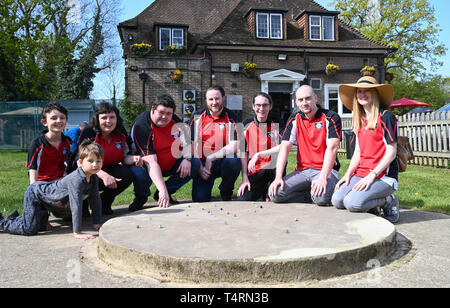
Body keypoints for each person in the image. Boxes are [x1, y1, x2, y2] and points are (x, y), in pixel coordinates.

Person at [0, 139, 103, 239]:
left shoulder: (94, 178)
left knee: (41, 227)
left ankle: (16, 218)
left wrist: (97, 223)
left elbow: (95, 199)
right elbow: (76, 205)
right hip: (36, 194)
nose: (95, 165)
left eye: (98, 161)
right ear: (80, 162)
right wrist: (77, 232)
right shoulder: (76, 179)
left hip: (49, 202)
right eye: (90, 161)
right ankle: (2, 222)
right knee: (29, 229)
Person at [331, 76, 400, 223]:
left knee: (352, 203)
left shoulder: (386, 117)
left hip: (383, 176)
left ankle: (388, 200)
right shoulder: (360, 119)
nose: (362, 95)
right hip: (361, 173)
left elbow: (391, 152)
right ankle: (370, 205)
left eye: (367, 91)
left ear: (375, 94)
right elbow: (358, 152)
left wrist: (372, 175)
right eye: (359, 91)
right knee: (337, 200)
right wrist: (347, 175)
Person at [268, 85, 342, 205]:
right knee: (275, 194)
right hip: (302, 170)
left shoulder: (331, 117)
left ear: (316, 98)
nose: (304, 103)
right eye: (300, 100)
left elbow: (332, 148)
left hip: (325, 170)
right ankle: (310, 194)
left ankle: (325, 190)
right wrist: (278, 177)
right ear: (296, 102)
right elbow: (284, 147)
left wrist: (323, 177)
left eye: (308, 98)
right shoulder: (294, 119)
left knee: (321, 199)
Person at [129, 94, 200, 210]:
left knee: (195, 163)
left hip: (171, 163)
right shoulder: (141, 125)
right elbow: (151, 162)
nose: (164, 117)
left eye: (168, 114)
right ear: (153, 109)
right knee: (138, 172)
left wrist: (187, 159)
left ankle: (163, 193)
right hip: (147, 165)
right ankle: (141, 197)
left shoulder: (175, 120)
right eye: (161, 112)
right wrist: (163, 190)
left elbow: (187, 140)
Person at [74, 102, 142, 215]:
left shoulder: (121, 133)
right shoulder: (89, 132)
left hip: (109, 168)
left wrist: (134, 158)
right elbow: (80, 162)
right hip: (87, 173)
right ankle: (84, 202)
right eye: (104, 118)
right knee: (81, 214)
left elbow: (125, 157)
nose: (108, 121)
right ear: (97, 119)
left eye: (112, 117)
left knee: (126, 174)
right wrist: (104, 175)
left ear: (117, 118)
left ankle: (104, 202)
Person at [189, 86, 241, 202]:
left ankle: (226, 191)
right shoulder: (196, 117)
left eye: (217, 99)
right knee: (200, 199)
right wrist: (199, 167)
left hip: (223, 161)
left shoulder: (232, 117)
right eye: (210, 99)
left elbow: (236, 144)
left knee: (234, 160)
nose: (214, 102)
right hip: (202, 165)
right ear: (206, 100)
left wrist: (211, 158)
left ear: (223, 98)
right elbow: (190, 144)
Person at [237, 92, 285, 201]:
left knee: (277, 197)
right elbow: (242, 152)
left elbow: (284, 145)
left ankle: (270, 190)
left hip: (273, 168)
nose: (261, 108)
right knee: (243, 199)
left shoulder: (278, 122)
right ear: (253, 107)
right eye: (258, 105)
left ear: (270, 106)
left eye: (265, 105)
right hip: (256, 169)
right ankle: (263, 189)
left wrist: (259, 154)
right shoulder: (245, 124)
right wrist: (245, 178)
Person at [27, 102, 72, 184]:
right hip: (43, 184)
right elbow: (33, 170)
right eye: (54, 118)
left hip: (62, 183)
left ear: (66, 121)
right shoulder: (37, 144)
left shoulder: (69, 142)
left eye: (62, 118)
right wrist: (34, 189)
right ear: (44, 122)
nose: (59, 121)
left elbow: (70, 164)